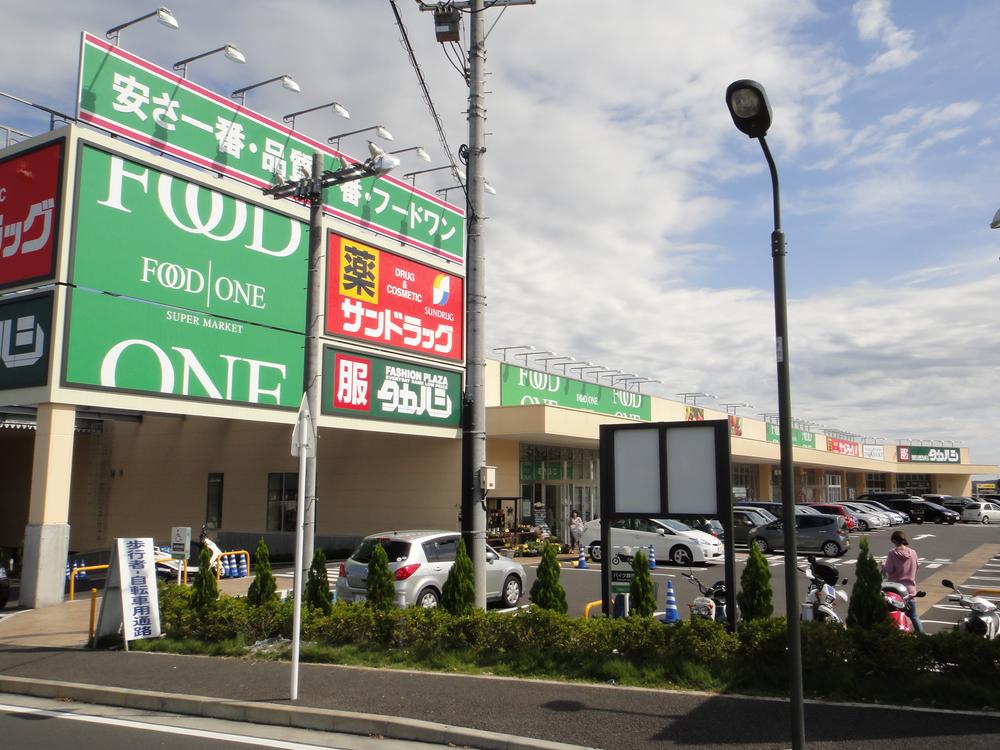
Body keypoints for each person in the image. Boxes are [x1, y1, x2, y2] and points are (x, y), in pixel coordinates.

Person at [882, 529, 923, 633]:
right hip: (909, 589)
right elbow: (917, 566)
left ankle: (897, 636)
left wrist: (883, 564)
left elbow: (889, 569)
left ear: (895, 541)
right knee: (913, 616)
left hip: (895, 590)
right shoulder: (913, 552)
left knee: (896, 614)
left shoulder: (892, 553)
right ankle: (922, 637)